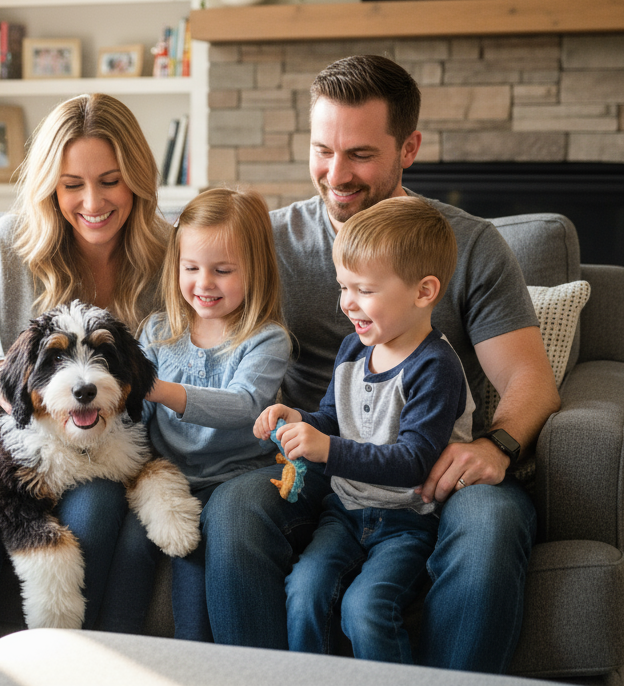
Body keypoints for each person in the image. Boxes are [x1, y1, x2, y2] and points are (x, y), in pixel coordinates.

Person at [203, 54, 561, 673]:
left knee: (493, 523)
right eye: (323, 150)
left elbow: (528, 377)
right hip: (319, 460)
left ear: (409, 148)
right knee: (233, 510)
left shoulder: (468, 244)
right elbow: (192, 320)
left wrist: (497, 445)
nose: (336, 174)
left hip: (431, 467)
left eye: (361, 155)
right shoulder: (268, 243)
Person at [0, 93, 170, 685]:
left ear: (138, 179)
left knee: (99, 506)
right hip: (0, 454)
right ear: (50, 186)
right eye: (72, 184)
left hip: (106, 453)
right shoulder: (13, 243)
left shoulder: (170, 253)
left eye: (110, 181)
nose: (93, 203)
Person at [253, 196, 473, 662]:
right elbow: (332, 419)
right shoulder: (353, 350)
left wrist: (327, 449)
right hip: (345, 512)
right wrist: (298, 420)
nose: (347, 303)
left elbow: (414, 461)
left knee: (365, 608)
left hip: (409, 522)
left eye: (364, 290)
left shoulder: (435, 367)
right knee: (304, 591)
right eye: (343, 287)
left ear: (424, 291)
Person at [116, 187, 290, 641]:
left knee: (194, 563)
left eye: (222, 270)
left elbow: (244, 404)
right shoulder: (158, 331)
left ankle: (204, 662)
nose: (204, 283)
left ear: (255, 270)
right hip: (169, 479)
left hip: (234, 477)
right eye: (191, 268)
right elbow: (137, 418)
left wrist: (160, 389)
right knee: (130, 547)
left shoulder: (266, 339)